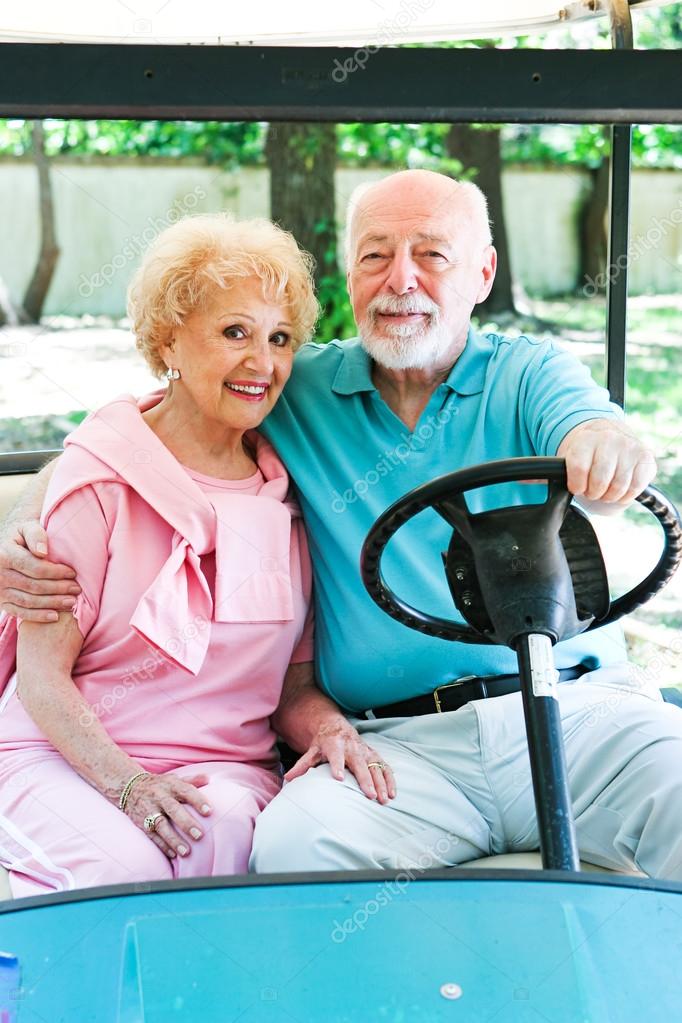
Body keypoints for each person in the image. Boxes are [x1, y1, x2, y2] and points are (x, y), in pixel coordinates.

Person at [3, 171, 681, 880]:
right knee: (297, 845)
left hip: (573, 707)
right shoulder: (290, 385)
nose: (402, 280)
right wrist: (21, 520)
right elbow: (144, 429)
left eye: (432, 255)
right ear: (351, 275)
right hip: (402, 745)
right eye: (376, 255)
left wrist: (608, 446)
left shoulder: (529, 372)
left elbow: (594, 428)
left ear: (483, 272)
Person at [0, 214, 317, 897]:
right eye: (235, 331)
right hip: (60, 752)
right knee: (123, 871)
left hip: (221, 765)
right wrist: (130, 783)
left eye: (280, 338)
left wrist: (338, 732)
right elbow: (41, 680)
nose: (263, 363)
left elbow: (290, 688)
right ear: (169, 336)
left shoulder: (287, 498)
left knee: (220, 838)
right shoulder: (98, 480)